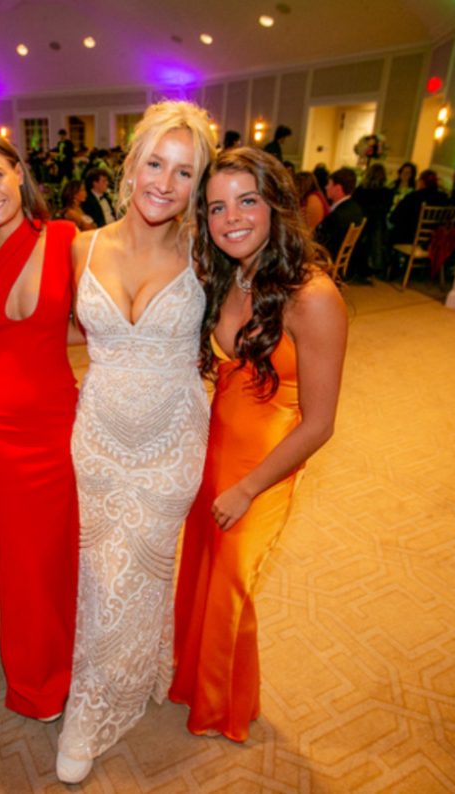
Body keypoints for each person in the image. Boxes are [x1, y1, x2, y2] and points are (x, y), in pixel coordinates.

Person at [56, 100, 215, 784]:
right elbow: (60, 332)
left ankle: (86, 714)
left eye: (184, 173)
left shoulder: (208, 250)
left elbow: (248, 323)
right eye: (156, 163)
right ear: (131, 165)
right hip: (97, 436)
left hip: (172, 436)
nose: (165, 183)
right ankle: (105, 686)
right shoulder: (79, 246)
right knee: (98, 576)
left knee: (142, 569)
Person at [169, 146, 346, 742]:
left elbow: (319, 424)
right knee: (201, 576)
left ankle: (222, 705)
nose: (232, 218)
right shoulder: (229, 273)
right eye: (217, 207)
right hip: (213, 453)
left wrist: (247, 488)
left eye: (247, 200)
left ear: (276, 205)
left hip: (263, 470)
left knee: (232, 588)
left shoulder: (314, 295)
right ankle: (193, 682)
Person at [0, 132, 80, 721]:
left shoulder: (69, 239)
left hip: (58, 426)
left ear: (19, 173)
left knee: (59, 556)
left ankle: (73, 659)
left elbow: (101, 316)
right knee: (21, 564)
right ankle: (33, 683)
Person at [315, 167, 366, 278]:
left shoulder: (338, 215)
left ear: (337, 188)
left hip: (328, 260)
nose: (326, 187)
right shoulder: (355, 208)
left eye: (329, 184)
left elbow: (319, 240)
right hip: (345, 262)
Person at [352, 163, 395, 276]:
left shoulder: (360, 191)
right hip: (377, 226)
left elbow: (355, 206)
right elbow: (386, 210)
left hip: (361, 224)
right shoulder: (387, 193)